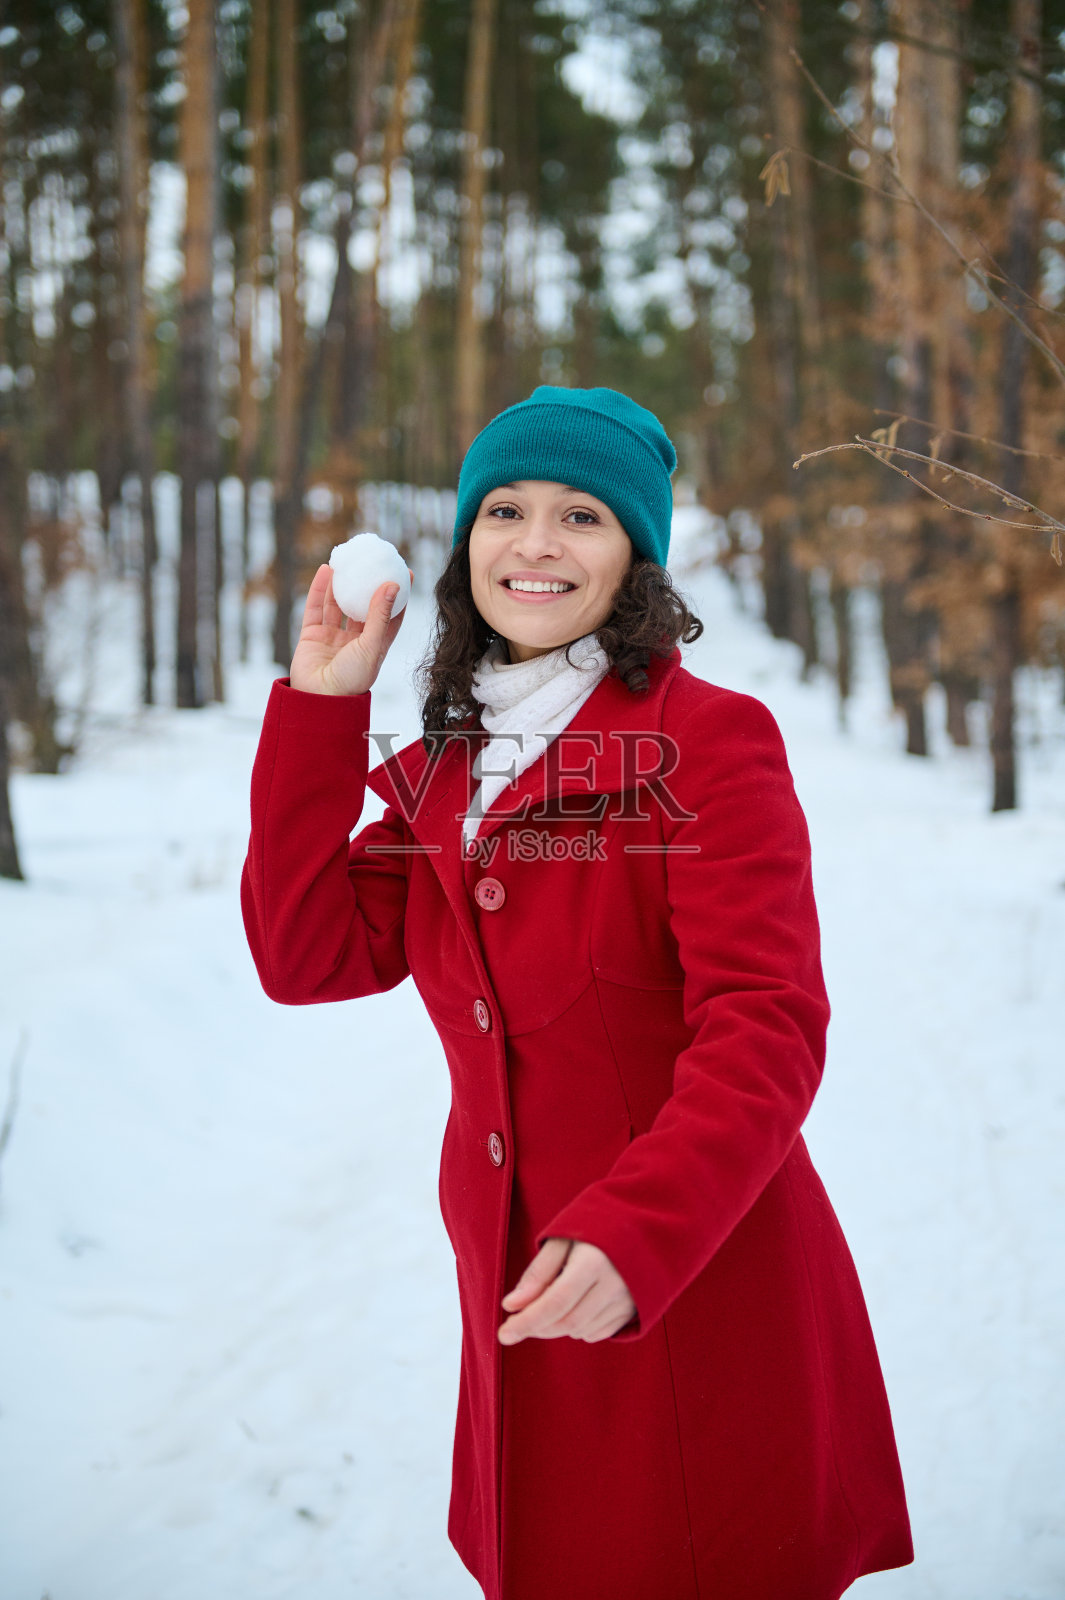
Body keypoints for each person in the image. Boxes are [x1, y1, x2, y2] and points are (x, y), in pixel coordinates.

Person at [241, 386, 913, 1600]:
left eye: (582, 516)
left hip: (693, 1292)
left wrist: (637, 1231)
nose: (535, 544)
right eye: (503, 509)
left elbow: (767, 1026)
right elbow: (309, 956)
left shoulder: (709, 744)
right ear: (465, 545)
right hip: (517, 1307)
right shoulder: (451, 763)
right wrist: (322, 702)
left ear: (635, 560)